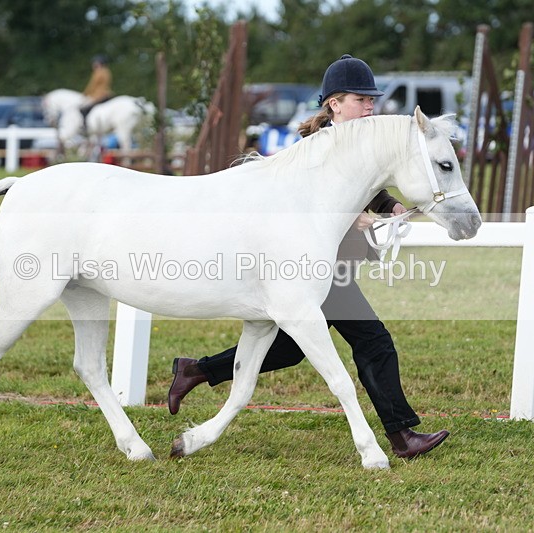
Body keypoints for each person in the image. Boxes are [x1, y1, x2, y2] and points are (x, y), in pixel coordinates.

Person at [166, 54, 450, 460]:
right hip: (307, 265)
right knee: (374, 342)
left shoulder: (362, 143)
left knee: (288, 348)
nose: (370, 106)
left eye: (372, 99)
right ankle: (401, 436)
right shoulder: (314, 149)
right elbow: (302, 205)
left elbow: (368, 186)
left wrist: (391, 209)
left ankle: (196, 370)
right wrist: (352, 220)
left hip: (326, 266)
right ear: (334, 104)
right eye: (360, 99)